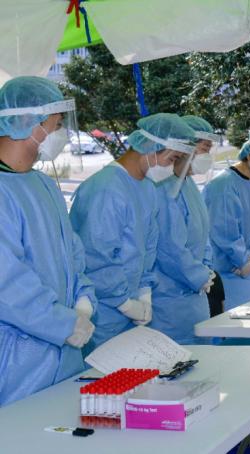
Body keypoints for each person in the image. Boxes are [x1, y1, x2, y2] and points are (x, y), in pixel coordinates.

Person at [0, 76, 96, 406]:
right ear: (29, 123)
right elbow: (7, 284)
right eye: (56, 124)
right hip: (17, 361)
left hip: (64, 356)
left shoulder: (43, 184)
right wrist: (63, 323)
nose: (61, 133)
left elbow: (72, 252)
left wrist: (83, 300)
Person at [70, 113, 195, 349]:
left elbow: (148, 247)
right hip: (103, 313)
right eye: (172, 159)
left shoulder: (147, 188)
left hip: (129, 308)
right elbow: (96, 258)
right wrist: (124, 303)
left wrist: (144, 291)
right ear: (151, 147)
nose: (172, 168)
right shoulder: (106, 189)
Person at [148, 115, 218, 344]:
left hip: (195, 298)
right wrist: (198, 275)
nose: (207, 155)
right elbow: (169, 247)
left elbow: (203, 234)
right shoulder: (162, 187)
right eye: (205, 148)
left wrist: (206, 268)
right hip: (169, 300)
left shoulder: (188, 185)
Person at [203, 126, 250, 310]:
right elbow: (224, 231)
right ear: (249, 153)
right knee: (225, 321)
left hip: (246, 267)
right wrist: (241, 259)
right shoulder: (223, 185)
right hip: (222, 269)